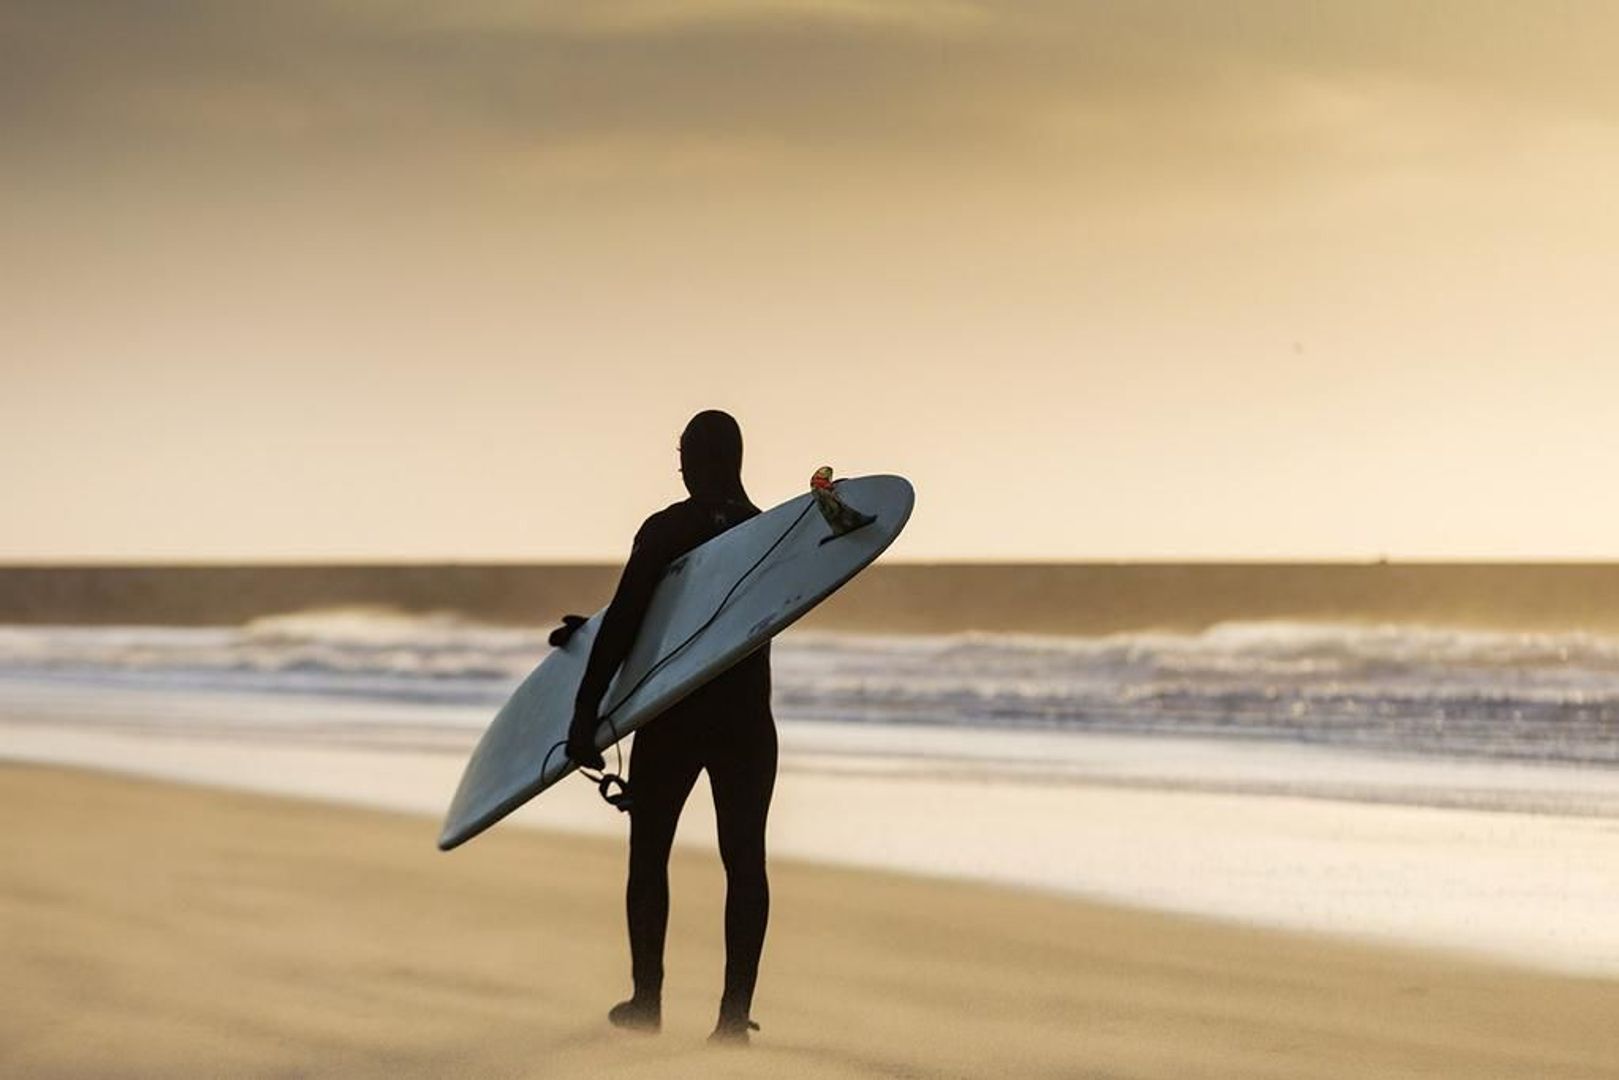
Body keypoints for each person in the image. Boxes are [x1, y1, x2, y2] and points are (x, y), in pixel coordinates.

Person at [562, 409, 776, 1045]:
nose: (679, 465)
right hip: (745, 720)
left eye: (682, 454)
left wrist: (583, 711)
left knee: (649, 853)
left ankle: (647, 1002)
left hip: (676, 718)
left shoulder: (666, 529)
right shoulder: (771, 535)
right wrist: (589, 632)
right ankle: (733, 1019)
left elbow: (632, 621)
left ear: (694, 459)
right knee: (745, 862)